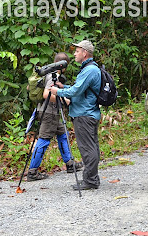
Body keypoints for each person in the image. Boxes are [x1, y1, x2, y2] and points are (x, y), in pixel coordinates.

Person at [50, 40, 101, 191]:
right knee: (91, 146)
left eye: (77, 51)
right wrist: (63, 86)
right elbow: (80, 89)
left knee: (88, 148)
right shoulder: (88, 69)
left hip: (84, 114)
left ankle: (90, 180)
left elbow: (76, 92)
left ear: (85, 53)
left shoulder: (89, 70)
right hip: (87, 112)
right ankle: (92, 178)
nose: (74, 54)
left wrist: (58, 92)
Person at [27, 52, 83, 181]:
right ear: (63, 66)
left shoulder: (50, 74)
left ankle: (70, 164)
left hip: (53, 112)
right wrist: (64, 100)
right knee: (44, 139)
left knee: (63, 135)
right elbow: (47, 94)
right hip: (48, 112)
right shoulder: (52, 76)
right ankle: (32, 172)